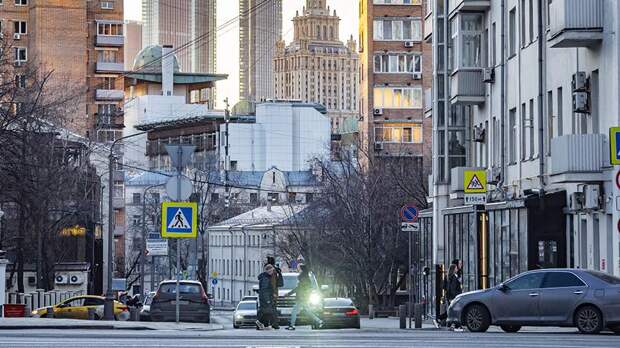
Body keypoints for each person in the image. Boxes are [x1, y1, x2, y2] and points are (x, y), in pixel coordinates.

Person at [286, 264, 324, 331]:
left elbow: (298, 288)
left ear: (302, 269)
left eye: (299, 268)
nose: (298, 270)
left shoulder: (303, 278)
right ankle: (319, 321)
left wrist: (289, 294)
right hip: (304, 297)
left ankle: (292, 325)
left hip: (301, 298)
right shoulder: (306, 277)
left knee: (294, 311)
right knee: (307, 311)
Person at [256, 264, 277, 330]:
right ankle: (260, 322)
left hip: (265, 297)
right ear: (268, 271)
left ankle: (265, 325)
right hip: (265, 298)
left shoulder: (266, 277)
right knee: (269, 312)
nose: (272, 272)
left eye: (272, 271)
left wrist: (272, 294)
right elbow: (265, 290)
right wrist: (267, 299)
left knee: (267, 312)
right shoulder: (265, 278)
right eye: (271, 271)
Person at [265, 256, 283, 329]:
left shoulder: (272, 271)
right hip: (274, 292)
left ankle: (274, 323)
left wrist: (272, 293)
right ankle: (273, 323)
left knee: (271, 309)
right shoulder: (275, 270)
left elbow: (272, 283)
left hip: (271, 293)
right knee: (272, 308)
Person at [445, 264, 463, 331]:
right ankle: (454, 324)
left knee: (453, 310)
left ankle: (454, 324)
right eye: (456, 268)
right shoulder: (453, 277)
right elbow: (453, 288)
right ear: (453, 269)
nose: (457, 269)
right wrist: (456, 297)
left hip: (451, 296)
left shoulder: (451, 276)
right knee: (456, 310)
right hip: (453, 297)